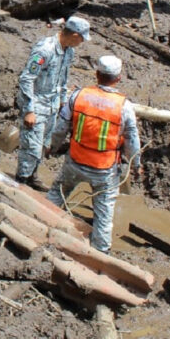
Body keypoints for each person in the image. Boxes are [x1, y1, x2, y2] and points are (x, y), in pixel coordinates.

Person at [47, 55, 141, 253]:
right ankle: (100, 252)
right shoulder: (124, 107)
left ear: (96, 74)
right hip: (104, 170)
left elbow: (61, 127)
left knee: (58, 193)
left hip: (75, 161)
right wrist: (136, 165)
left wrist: (52, 147)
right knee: (104, 212)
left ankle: (43, 222)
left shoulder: (78, 96)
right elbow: (132, 141)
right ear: (118, 78)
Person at [14, 15, 89, 189]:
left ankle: (32, 176)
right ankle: (21, 181)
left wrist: (63, 100)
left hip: (52, 105)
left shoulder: (69, 51)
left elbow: (64, 77)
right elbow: (26, 79)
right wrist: (29, 110)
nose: (82, 42)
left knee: (43, 144)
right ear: (75, 35)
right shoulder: (45, 50)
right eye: (82, 38)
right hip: (37, 103)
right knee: (31, 147)